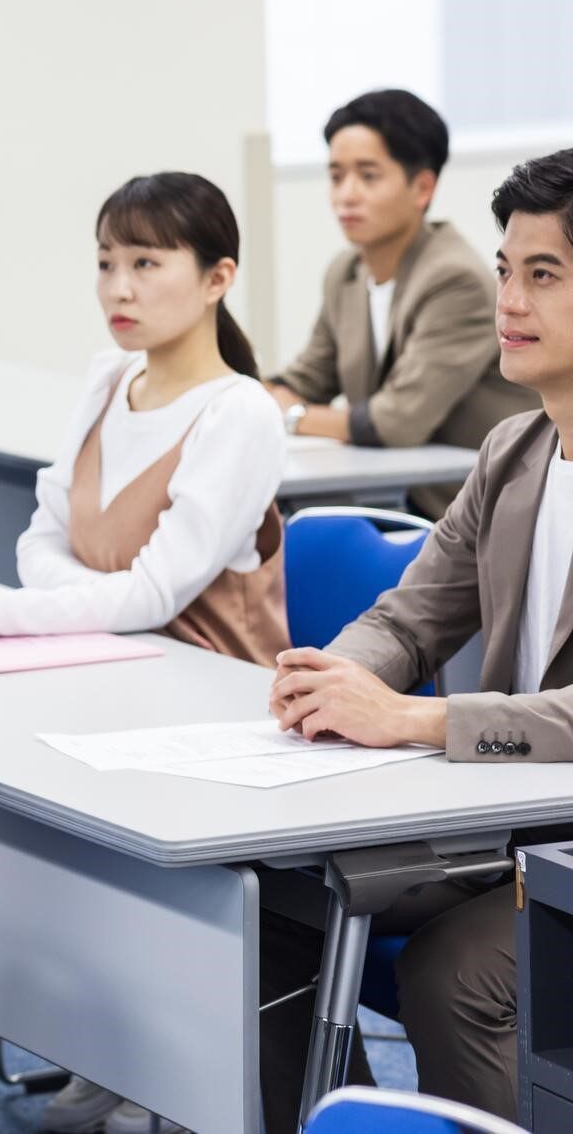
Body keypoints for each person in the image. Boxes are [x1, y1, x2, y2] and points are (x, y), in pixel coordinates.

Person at [0, 172, 287, 1134]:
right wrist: (42, 605)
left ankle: (160, 1070)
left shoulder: (239, 413)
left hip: (209, 708)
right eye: (107, 263)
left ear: (217, 278)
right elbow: (42, 532)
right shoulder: (107, 379)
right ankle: (111, 1049)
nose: (119, 286)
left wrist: (3, 617)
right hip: (97, 676)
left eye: (146, 263)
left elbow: (160, 591)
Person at [260, 148, 573, 1129]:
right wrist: (332, 675)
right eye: (502, 270)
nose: (507, 300)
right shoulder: (514, 448)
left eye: (542, 274)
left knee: (452, 971)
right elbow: (410, 610)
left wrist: (413, 716)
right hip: (509, 823)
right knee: (270, 914)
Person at [267, 89, 535, 514]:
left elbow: (395, 422)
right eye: (336, 176)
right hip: (394, 496)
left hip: (473, 505)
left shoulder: (455, 278)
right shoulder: (346, 273)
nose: (346, 195)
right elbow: (304, 378)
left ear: (422, 187)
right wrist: (268, 396)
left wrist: (290, 415)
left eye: (368, 176)